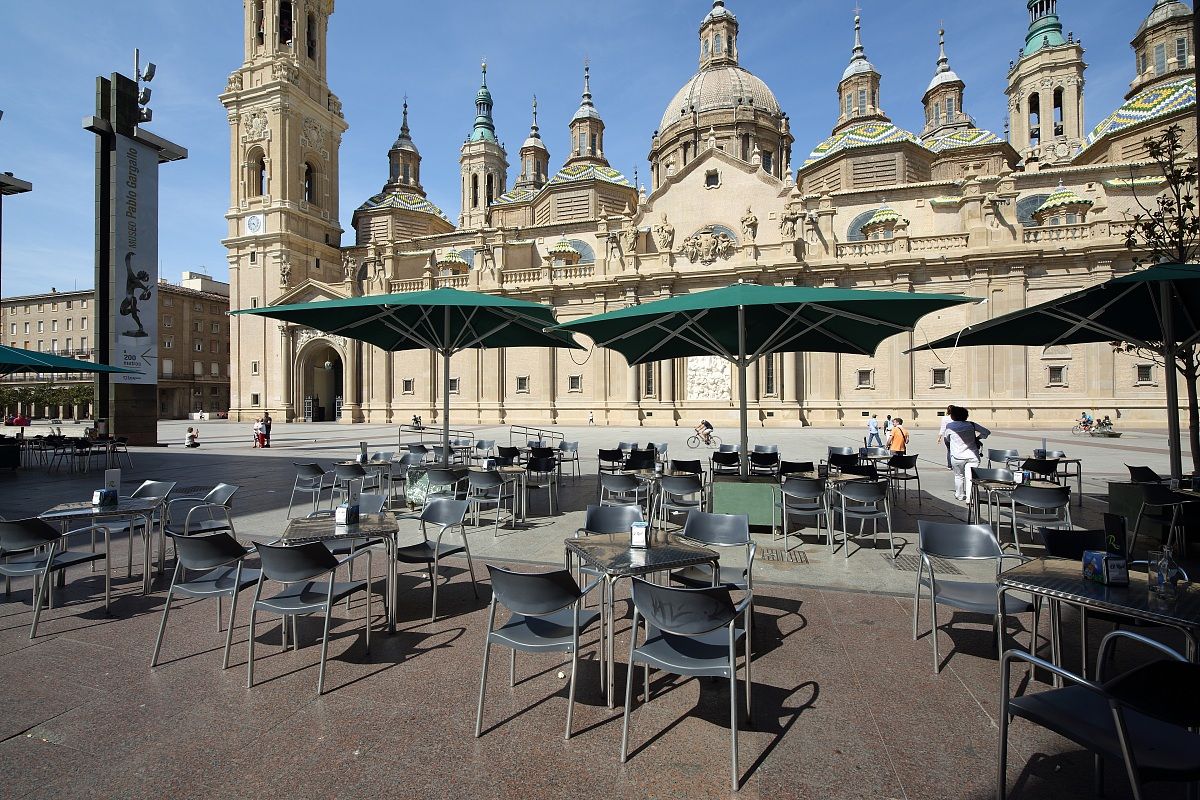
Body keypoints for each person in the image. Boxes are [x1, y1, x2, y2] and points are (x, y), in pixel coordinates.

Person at [946, 406, 990, 502]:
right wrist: (978, 438)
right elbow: (987, 432)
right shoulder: (972, 425)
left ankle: (960, 494)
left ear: (953, 416)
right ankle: (970, 498)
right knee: (970, 477)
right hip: (972, 456)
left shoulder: (950, 426)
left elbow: (947, 438)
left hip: (957, 456)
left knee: (958, 476)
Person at [936, 404, 955, 469]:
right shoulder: (956, 418)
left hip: (946, 437)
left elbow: (943, 428)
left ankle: (949, 466)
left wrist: (939, 437)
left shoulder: (944, 418)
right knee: (955, 450)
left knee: (949, 450)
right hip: (955, 437)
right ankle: (955, 464)